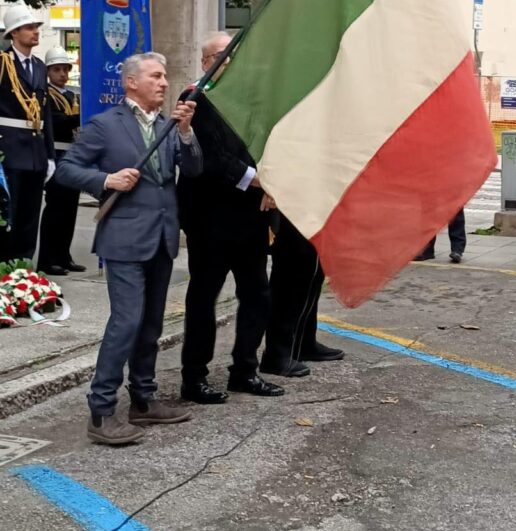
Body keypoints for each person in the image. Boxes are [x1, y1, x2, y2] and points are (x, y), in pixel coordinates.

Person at [57, 52, 203, 446]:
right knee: (126, 322)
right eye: (155, 76)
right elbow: (66, 170)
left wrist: (187, 135)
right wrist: (107, 179)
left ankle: (144, 398)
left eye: (165, 76)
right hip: (123, 239)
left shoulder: (169, 126)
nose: (164, 82)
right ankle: (101, 410)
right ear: (131, 83)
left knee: (151, 324)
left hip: (161, 236)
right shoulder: (105, 126)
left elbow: (191, 171)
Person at [177, 32, 284, 404]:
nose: (230, 62)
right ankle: (194, 378)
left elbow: (266, 146)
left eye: (233, 55)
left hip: (251, 218)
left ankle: (244, 371)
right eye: (222, 56)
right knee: (203, 299)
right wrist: (260, 181)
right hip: (211, 219)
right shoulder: (195, 98)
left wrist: (272, 184)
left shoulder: (247, 100)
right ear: (206, 62)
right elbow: (211, 159)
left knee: (257, 294)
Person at [0, 2, 55, 263]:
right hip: (8, 149)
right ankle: (5, 270)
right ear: (14, 33)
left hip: (35, 152)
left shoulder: (40, 66)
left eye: (36, 27)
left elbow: (44, 115)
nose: (35, 31)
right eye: (29, 27)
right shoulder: (2, 62)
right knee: (9, 214)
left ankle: (23, 269)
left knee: (30, 215)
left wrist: (50, 155)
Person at [260, 213, 344, 378]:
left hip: (311, 204)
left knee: (313, 271)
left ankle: (304, 343)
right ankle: (277, 354)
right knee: (292, 272)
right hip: (289, 206)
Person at [37, 47, 86, 276]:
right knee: (55, 209)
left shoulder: (71, 95)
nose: (63, 74)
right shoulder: (46, 94)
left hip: (73, 155)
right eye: (57, 70)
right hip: (56, 153)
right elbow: (56, 122)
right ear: (48, 72)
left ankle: (64, 256)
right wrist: (82, 116)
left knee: (69, 209)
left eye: (65, 69)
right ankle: (47, 259)